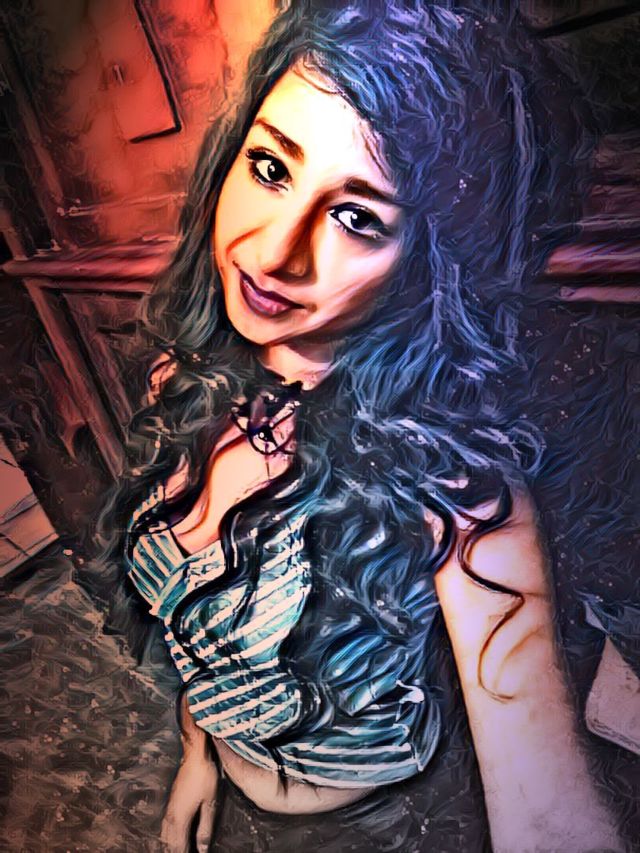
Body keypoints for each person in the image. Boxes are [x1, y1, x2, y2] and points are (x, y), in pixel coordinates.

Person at [100, 2, 624, 851]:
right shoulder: (186, 379)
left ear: (427, 260)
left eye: (358, 217)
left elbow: (548, 815)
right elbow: (199, 625)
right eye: (271, 167)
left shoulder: (455, 487)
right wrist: (200, 756)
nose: (275, 253)